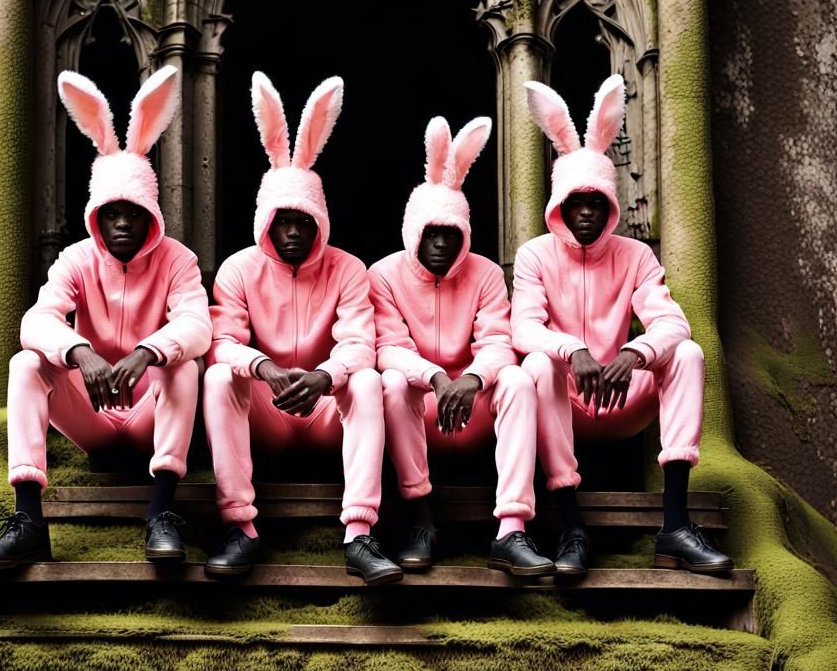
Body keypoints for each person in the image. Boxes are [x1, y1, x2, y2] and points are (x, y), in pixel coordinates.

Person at [0, 67, 211, 568]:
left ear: (151, 213)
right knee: (26, 364)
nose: (122, 221)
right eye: (112, 211)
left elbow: (198, 325)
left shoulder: (178, 260)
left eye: (133, 211)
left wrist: (148, 352)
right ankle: (30, 521)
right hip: (94, 420)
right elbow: (36, 321)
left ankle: (161, 514)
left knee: (186, 364)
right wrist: (82, 353)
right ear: (95, 215)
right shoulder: (77, 259)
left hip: (148, 419)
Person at [512, 74, 733, 575]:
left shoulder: (635, 255)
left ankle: (675, 525)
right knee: (536, 367)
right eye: (576, 202)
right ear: (559, 206)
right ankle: (572, 528)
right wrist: (573, 350)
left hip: (619, 396)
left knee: (688, 353)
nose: (586, 212)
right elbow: (523, 328)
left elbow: (671, 321)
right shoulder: (534, 256)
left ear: (610, 206)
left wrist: (634, 354)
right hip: (565, 398)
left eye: (596, 203)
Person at [202, 71, 401, 585]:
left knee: (368, 379)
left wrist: (324, 377)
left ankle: (359, 534)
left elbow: (361, 343)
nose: (292, 231)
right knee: (219, 377)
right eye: (283, 219)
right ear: (265, 220)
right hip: (266, 413)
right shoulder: (238, 269)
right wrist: (263, 368)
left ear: (320, 221)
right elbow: (221, 342)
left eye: (303, 221)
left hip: (322, 412)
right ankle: (239, 527)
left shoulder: (349, 269)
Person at [369, 116, 551, 576]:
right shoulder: (383, 274)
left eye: (451, 234)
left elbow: (499, 341)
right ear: (414, 232)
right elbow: (387, 346)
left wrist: (470, 378)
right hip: (422, 410)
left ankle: (512, 528)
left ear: (464, 235)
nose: (441, 243)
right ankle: (420, 517)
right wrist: (434, 377)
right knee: (389, 381)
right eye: (432, 233)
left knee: (516, 378)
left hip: (472, 408)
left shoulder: (487, 273)